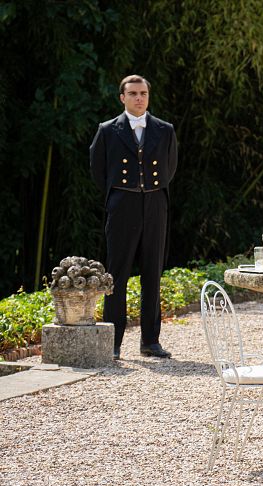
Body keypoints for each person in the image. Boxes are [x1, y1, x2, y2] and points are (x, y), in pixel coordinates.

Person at [90, 75, 177, 360]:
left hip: (154, 203)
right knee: (118, 274)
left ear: (148, 97)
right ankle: (113, 342)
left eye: (143, 93)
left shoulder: (164, 130)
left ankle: (150, 342)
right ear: (122, 97)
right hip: (123, 204)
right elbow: (98, 170)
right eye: (133, 93)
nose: (139, 98)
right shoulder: (107, 130)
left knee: (153, 273)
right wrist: (120, 193)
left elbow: (170, 167)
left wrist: (150, 192)